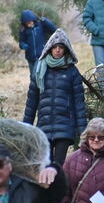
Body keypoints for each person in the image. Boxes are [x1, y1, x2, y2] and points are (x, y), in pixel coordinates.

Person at [23, 29, 86, 166]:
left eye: (61, 47)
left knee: (57, 166)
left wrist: (83, 132)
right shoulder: (40, 70)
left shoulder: (72, 72)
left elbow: (79, 103)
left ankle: (58, 186)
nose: (57, 50)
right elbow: (32, 102)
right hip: (44, 125)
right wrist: (25, 128)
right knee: (45, 164)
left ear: (66, 49)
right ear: (49, 48)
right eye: (55, 47)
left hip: (65, 126)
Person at [18, 9, 57, 75]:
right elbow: (21, 42)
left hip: (41, 56)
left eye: (30, 22)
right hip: (30, 57)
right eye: (27, 23)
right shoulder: (24, 30)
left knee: (39, 75)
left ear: (33, 20)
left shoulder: (40, 25)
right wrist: (23, 45)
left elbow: (54, 29)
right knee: (33, 76)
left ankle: (41, 85)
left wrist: (46, 21)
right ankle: (35, 85)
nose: (29, 24)